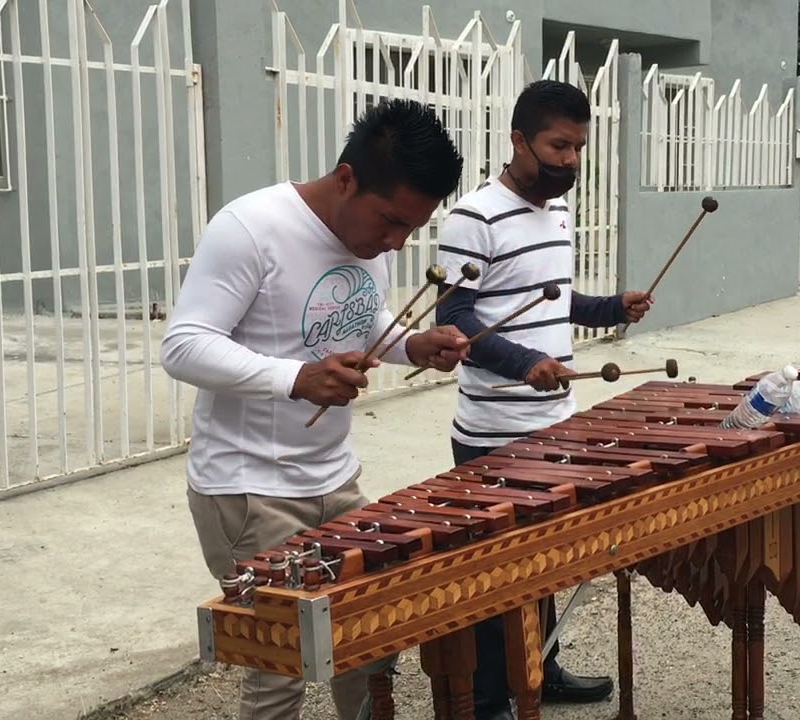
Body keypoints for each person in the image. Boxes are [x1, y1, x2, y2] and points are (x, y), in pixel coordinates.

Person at [161, 98, 471, 720]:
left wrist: (411, 344)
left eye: (410, 229)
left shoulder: (373, 238)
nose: (394, 242)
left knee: (362, 645)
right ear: (346, 178)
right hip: (250, 489)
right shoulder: (251, 228)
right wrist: (295, 378)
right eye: (389, 222)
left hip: (334, 477)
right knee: (281, 671)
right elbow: (183, 345)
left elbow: (361, 314)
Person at [435, 79, 654, 720]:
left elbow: (554, 295)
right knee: (496, 567)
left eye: (579, 148)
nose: (570, 161)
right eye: (559, 146)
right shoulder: (472, 217)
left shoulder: (556, 211)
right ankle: (487, 698)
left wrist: (611, 306)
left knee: (544, 557)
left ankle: (541, 666)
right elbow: (456, 319)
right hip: (493, 427)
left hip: (554, 419)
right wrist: (523, 361)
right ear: (519, 140)